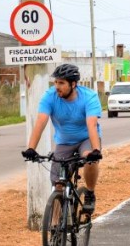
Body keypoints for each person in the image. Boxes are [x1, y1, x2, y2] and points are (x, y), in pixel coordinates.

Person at [21, 64, 103, 214]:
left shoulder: (89, 97)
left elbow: (91, 125)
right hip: (64, 142)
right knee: (58, 185)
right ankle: (55, 228)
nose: (57, 86)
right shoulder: (49, 97)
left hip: (86, 138)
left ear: (73, 84)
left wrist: (96, 150)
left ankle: (90, 193)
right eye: (55, 82)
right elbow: (40, 122)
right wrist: (31, 148)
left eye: (61, 83)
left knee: (89, 159)